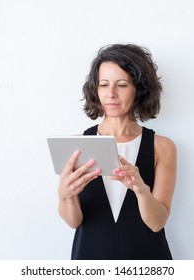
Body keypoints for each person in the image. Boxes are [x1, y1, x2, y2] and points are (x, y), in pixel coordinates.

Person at [57, 44, 177, 260]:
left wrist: (141, 191)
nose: (110, 94)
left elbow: (157, 222)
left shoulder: (162, 147)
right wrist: (65, 195)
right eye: (103, 85)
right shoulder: (76, 145)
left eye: (121, 85)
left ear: (139, 89)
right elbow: (73, 222)